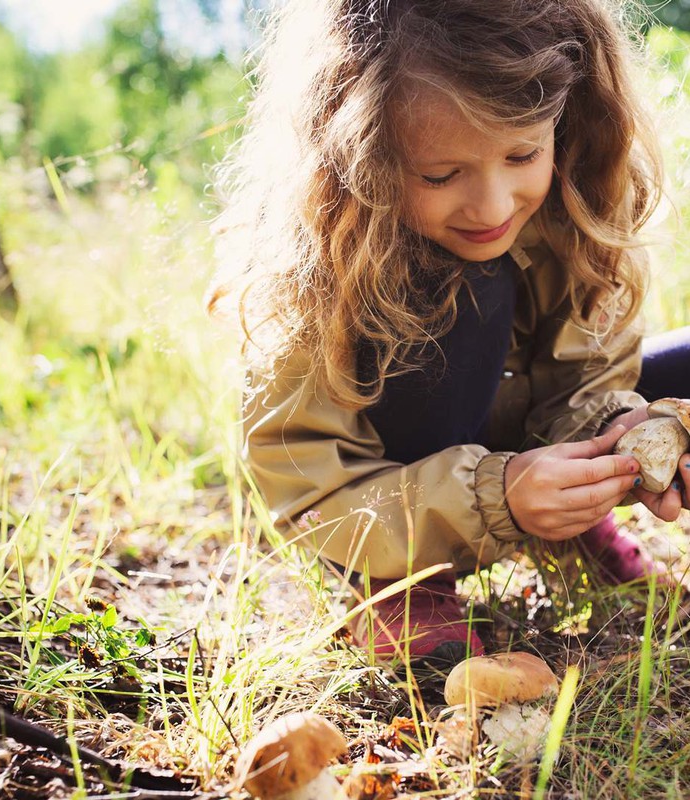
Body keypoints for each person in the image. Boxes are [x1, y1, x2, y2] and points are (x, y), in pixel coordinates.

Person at [209, 0, 690, 665]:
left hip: (518, 434)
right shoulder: (325, 264)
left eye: (523, 153)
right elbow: (311, 489)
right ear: (361, 156)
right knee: (474, 286)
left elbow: (590, 375)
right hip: (392, 501)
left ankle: (581, 523)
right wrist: (501, 495)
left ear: (567, 119)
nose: (492, 207)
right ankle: (401, 586)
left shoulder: (576, 201)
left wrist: (619, 440)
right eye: (440, 175)